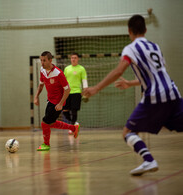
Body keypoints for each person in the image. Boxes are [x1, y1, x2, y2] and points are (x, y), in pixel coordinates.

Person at [83, 15, 183, 176]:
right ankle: (148, 161)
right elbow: (156, 74)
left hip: (155, 96)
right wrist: (130, 83)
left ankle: (149, 160)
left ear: (129, 31)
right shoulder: (155, 46)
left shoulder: (131, 48)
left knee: (128, 132)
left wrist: (96, 88)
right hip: (173, 93)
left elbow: (118, 71)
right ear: (145, 29)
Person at [34, 51, 80, 151]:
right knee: (51, 123)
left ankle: (46, 144)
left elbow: (67, 89)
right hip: (50, 100)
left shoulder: (58, 73)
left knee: (44, 122)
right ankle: (73, 128)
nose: (42, 63)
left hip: (57, 102)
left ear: (50, 60)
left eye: (44, 60)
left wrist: (60, 104)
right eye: (41, 60)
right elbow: (41, 85)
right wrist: (36, 96)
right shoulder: (42, 70)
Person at [63, 53, 88, 134]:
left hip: (77, 92)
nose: (73, 59)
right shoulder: (67, 69)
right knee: (65, 111)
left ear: (78, 59)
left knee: (74, 110)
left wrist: (85, 90)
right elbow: (63, 81)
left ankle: (72, 127)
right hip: (67, 92)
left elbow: (84, 80)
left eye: (75, 58)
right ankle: (74, 123)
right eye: (72, 58)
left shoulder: (81, 69)